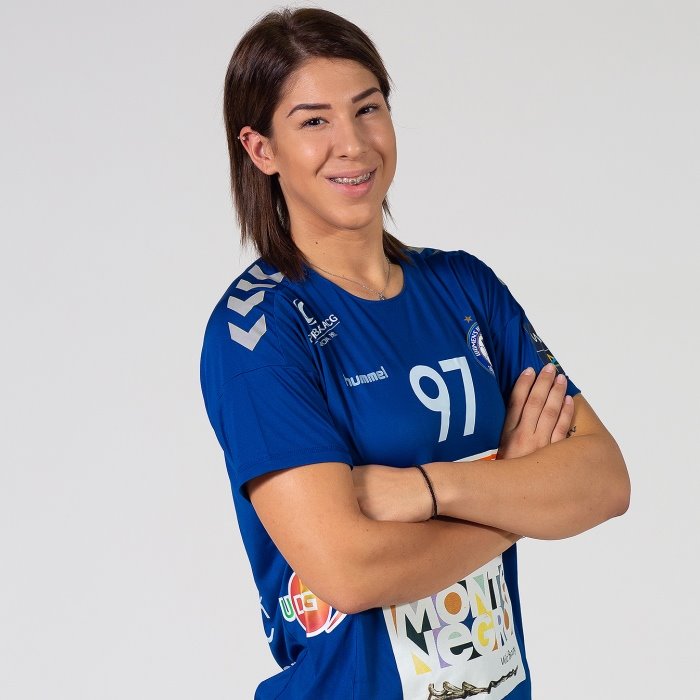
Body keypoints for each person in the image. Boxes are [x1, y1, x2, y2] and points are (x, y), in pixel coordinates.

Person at [199, 8, 630, 699]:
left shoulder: (465, 287)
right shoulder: (258, 331)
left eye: (367, 109)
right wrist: (517, 492)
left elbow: (604, 482)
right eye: (314, 121)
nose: (352, 144)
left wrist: (431, 489)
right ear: (261, 149)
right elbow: (350, 572)